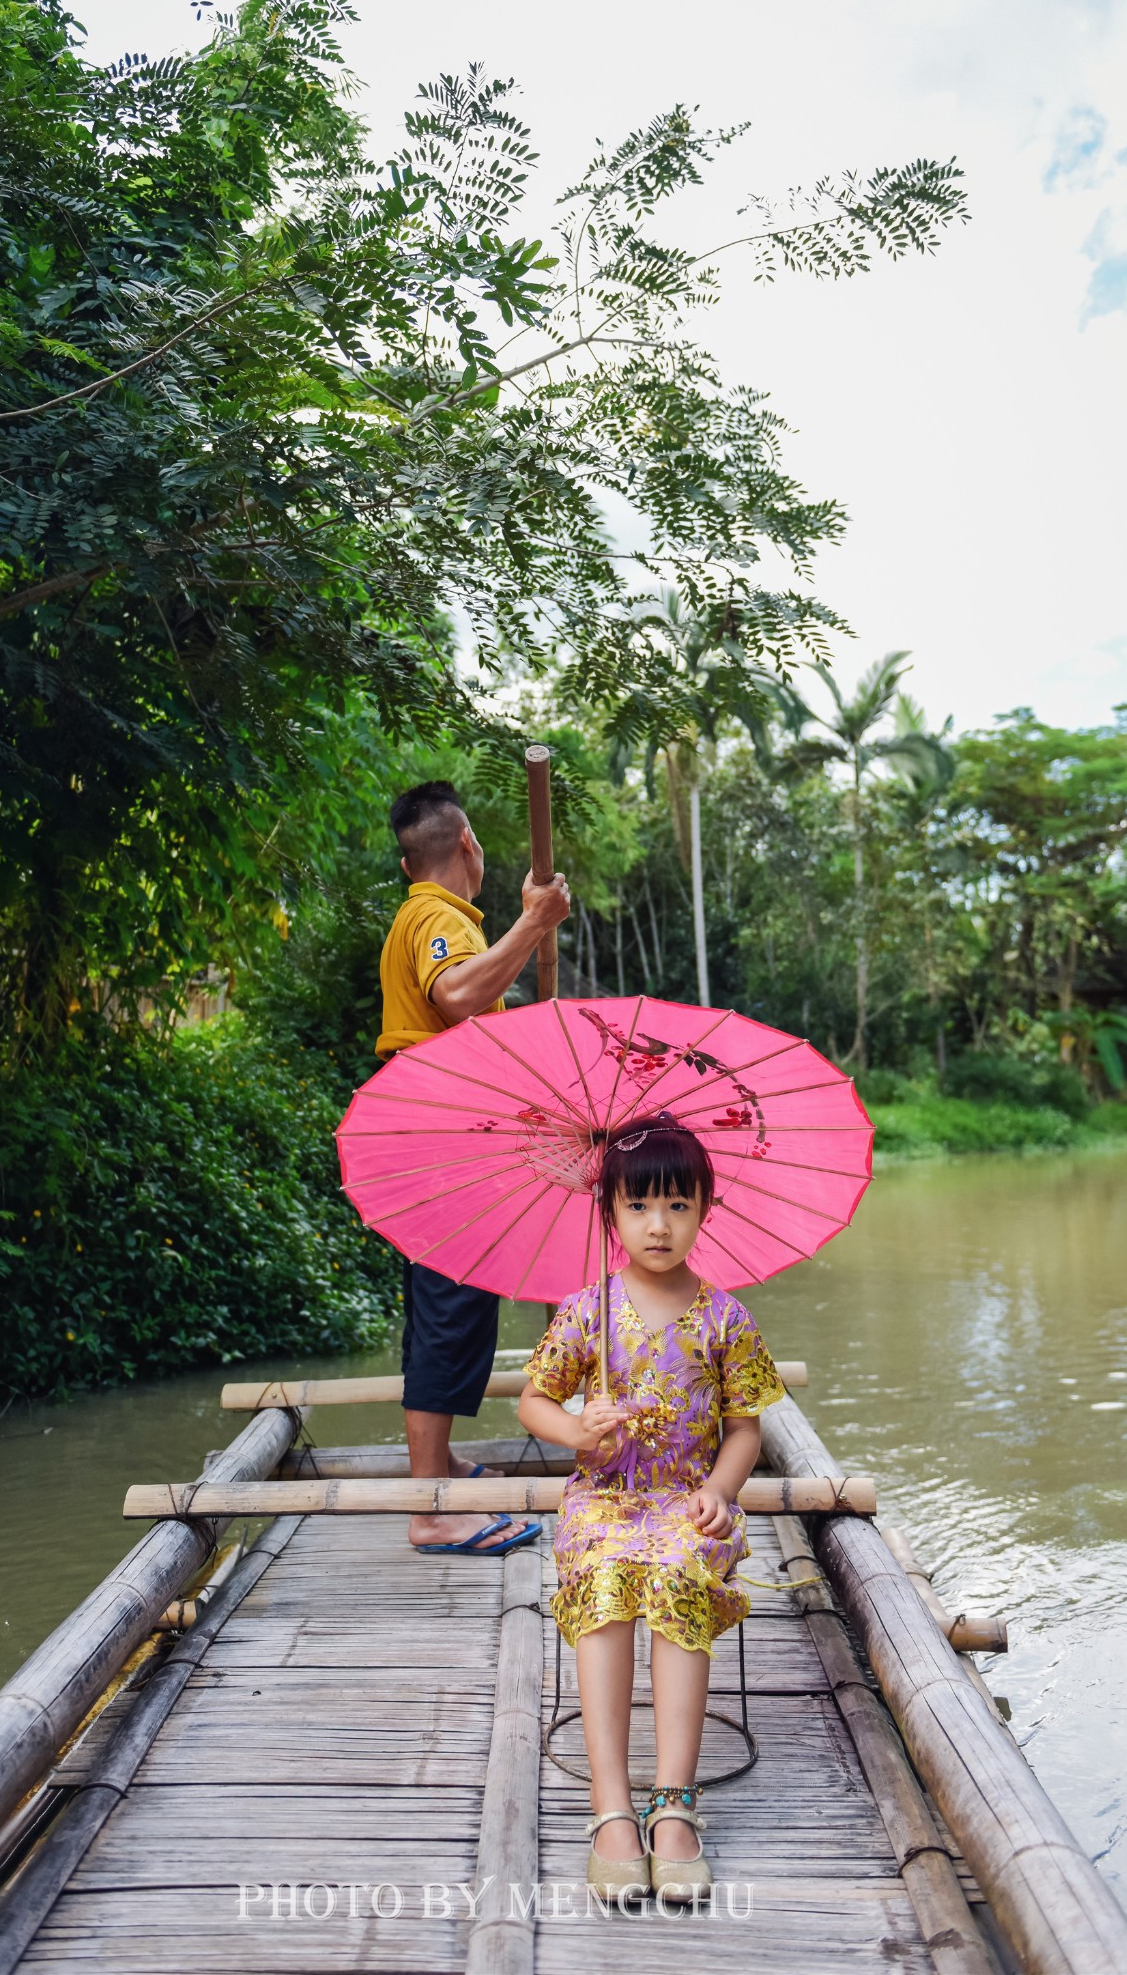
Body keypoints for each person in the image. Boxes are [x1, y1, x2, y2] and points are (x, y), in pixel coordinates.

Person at [516, 1114, 786, 1901]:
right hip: (604, 1497)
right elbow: (535, 1402)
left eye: (676, 1204)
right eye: (637, 1207)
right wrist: (577, 1429)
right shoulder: (586, 1310)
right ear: (610, 1216)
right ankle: (610, 1807)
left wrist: (718, 1491)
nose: (658, 1224)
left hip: (681, 1502)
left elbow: (744, 1428)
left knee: (675, 1572)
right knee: (603, 1579)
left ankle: (672, 1802)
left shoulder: (725, 1317)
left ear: (706, 1208)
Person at [378, 779, 571, 1554]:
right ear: (466, 845)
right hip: (438, 1142)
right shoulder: (435, 917)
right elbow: (457, 994)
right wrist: (532, 921)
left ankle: (439, 1464)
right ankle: (430, 1511)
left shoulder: (432, 916)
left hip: (436, 1136)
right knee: (451, 1307)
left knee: (444, 1302)